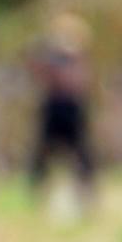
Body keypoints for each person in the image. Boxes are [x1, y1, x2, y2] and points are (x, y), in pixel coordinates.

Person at [27, 13, 97, 212]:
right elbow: (38, 73)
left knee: (82, 154)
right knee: (42, 153)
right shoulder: (50, 56)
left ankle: (85, 194)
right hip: (53, 107)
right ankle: (38, 194)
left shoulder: (77, 57)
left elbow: (79, 82)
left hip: (72, 108)